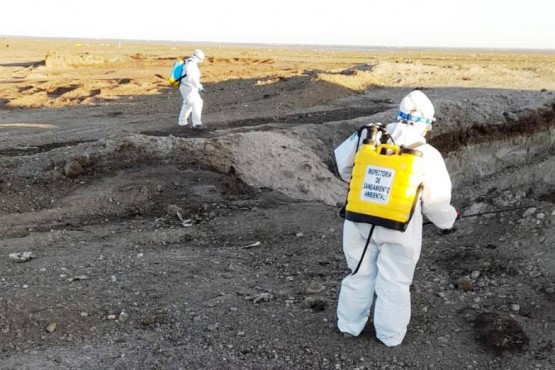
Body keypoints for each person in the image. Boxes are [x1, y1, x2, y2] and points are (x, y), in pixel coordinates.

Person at [335, 90, 458, 346]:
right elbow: (436, 203)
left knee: (358, 272)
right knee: (394, 281)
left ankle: (349, 326)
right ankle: (389, 337)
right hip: (399, 226)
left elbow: (344, 166)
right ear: (427, 123)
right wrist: (448, 222)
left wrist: (365, 189)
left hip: (359, 218)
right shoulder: (428, 154)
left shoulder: (367, 137)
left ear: (399, 114)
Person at [178, 49, 205, 129]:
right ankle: (197, 124)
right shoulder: (191, 65)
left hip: (186, 86)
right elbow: (191, 78)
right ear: (199, 58)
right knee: (197, 103)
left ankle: (182, 122)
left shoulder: (189, 62)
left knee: (188, 103)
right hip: (188, 87)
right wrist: (198, 85)